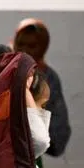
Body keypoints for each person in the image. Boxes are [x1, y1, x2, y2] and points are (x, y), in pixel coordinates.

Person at [13, 19, 71, 159]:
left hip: (29, 159)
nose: (25, 50)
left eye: (32, 46)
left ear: (43, 47)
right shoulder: (3, 72)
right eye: (21, 44)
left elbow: (58, 132)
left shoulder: (49, 79)